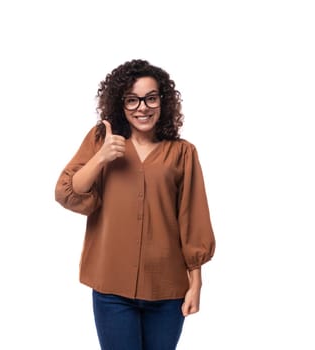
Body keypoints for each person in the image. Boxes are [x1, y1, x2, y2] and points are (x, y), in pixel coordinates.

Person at [54, 59, 216, 350]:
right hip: (111, 286)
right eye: (132, 100)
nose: (142, 107)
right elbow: (67, 192)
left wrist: (197, 283)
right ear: (121, 104)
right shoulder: (102, 140)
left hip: (167, 288)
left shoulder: (183, 153)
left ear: (162, 101)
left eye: (150, 98)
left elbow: (193, 218)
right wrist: (100, 158)